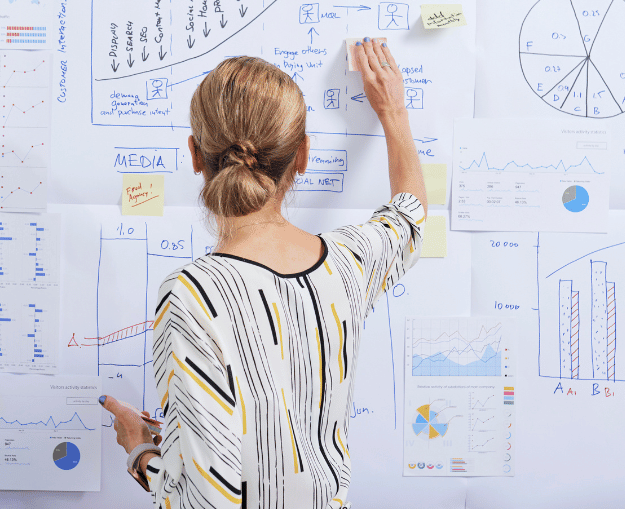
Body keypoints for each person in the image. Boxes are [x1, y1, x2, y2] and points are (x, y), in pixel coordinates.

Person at [102, 38, 426, 508]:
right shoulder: (348, 264)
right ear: (303, 156)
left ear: (195, 156)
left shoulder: (193, 295)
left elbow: (204, 500)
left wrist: (140, 451)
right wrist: (393, 112)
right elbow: (410, 215)